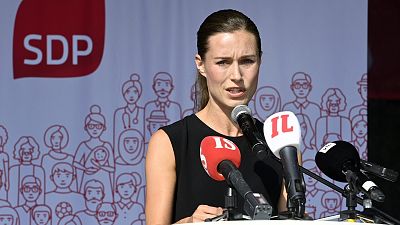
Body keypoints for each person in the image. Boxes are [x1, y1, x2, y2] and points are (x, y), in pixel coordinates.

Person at [145, 9, 287, 224]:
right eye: (223, 62)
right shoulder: (169, 142)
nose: (237, 76)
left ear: (260, 61)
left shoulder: (281, 144)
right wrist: (189, 223)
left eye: (247, 61)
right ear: (200, 64)